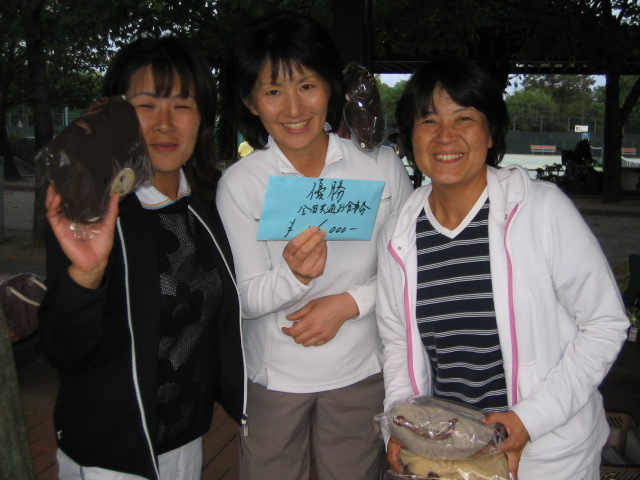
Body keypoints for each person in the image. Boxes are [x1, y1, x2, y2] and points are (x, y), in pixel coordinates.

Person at [375, 57, 628, 480]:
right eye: (428, 120)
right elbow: (397, 344)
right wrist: (401, 425)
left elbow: (604, 324)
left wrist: (531, 418)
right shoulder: (398, 234)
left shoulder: (541, 209)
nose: (445, 136)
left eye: (464, 118)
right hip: (448, 455)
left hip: (548, 455)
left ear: (491, 133)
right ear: (408, 137)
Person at [38, 36, 246, 480]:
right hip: (110, 453)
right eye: (146, 105)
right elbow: (65, 351)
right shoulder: (90, 209)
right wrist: (86, 274)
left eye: (182, 105)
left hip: (185, 440)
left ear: (202, 118)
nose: (164, 124)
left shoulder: (210, 204)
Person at [217, 12, 413, 480]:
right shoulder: (242, 184)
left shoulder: (381, 167)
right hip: (273, 380)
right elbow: (243, 298)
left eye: (307, 85)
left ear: (330, 87)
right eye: (272, 91)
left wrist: (349, 303)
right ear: (250, 101)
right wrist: (294, 277)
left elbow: (411, 268)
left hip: (362, 371)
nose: (293, 108)